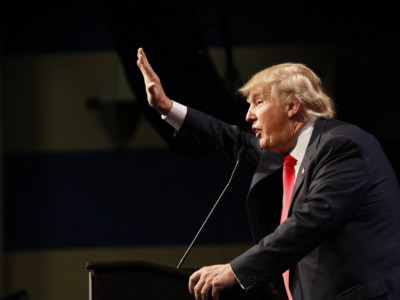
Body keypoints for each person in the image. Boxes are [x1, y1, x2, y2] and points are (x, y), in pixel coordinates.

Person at [136, 47, 400, 300]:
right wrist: (166, 107)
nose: (249, 115)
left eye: (258, 102)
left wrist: (235, 270)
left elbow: (311, 221)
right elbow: (230, 139)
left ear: (292, 106)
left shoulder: (341, 145)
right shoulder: (286, 154)